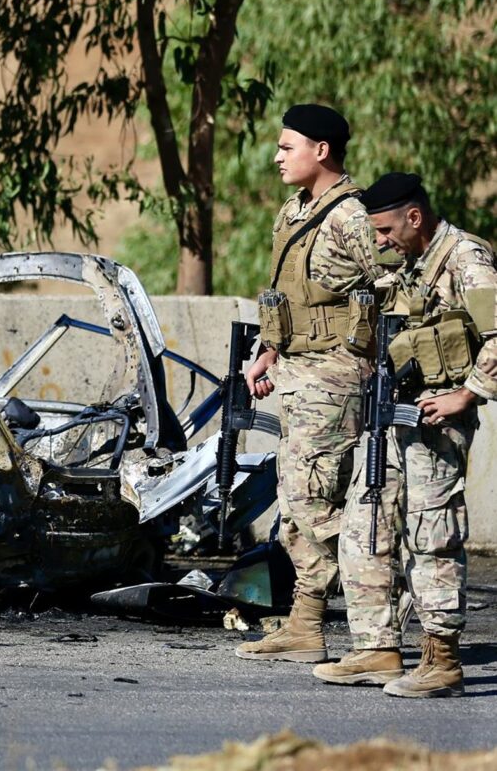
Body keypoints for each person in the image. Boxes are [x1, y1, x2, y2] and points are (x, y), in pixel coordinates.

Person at [315, 172, 497, 697]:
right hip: (395, 418)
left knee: (432, 535)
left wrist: (468, 394)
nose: (379, 242)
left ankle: (442, 661)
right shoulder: (411, 266)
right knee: (364, 526)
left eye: (385, 229)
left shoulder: (465, 260)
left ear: (414, 216)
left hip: (438, 422)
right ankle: (376, 648)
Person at [235, 104, 388, 663]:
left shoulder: (353, 217)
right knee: (295, 504)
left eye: (286, 147)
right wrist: (266, 352)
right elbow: (290, 298)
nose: (276, 157)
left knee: (312, 501)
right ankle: (305, 626)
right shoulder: (293, 210)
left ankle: (382, 603)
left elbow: (396, 289)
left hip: (336, 377)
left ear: (321, 151)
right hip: (296, 372)